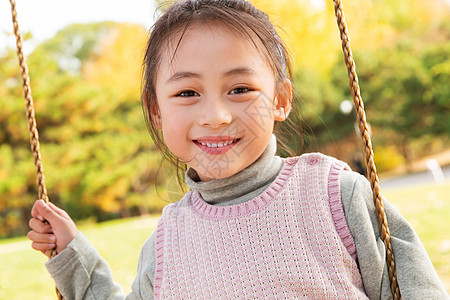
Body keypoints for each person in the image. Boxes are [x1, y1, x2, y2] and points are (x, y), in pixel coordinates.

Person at [27, 0, 448, 299]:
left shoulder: (335, 197)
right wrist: (72, 256)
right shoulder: (166, 246)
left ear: (280, 99)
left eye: (241, 89)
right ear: (156, 111)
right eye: (188, 91)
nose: (217, 116)